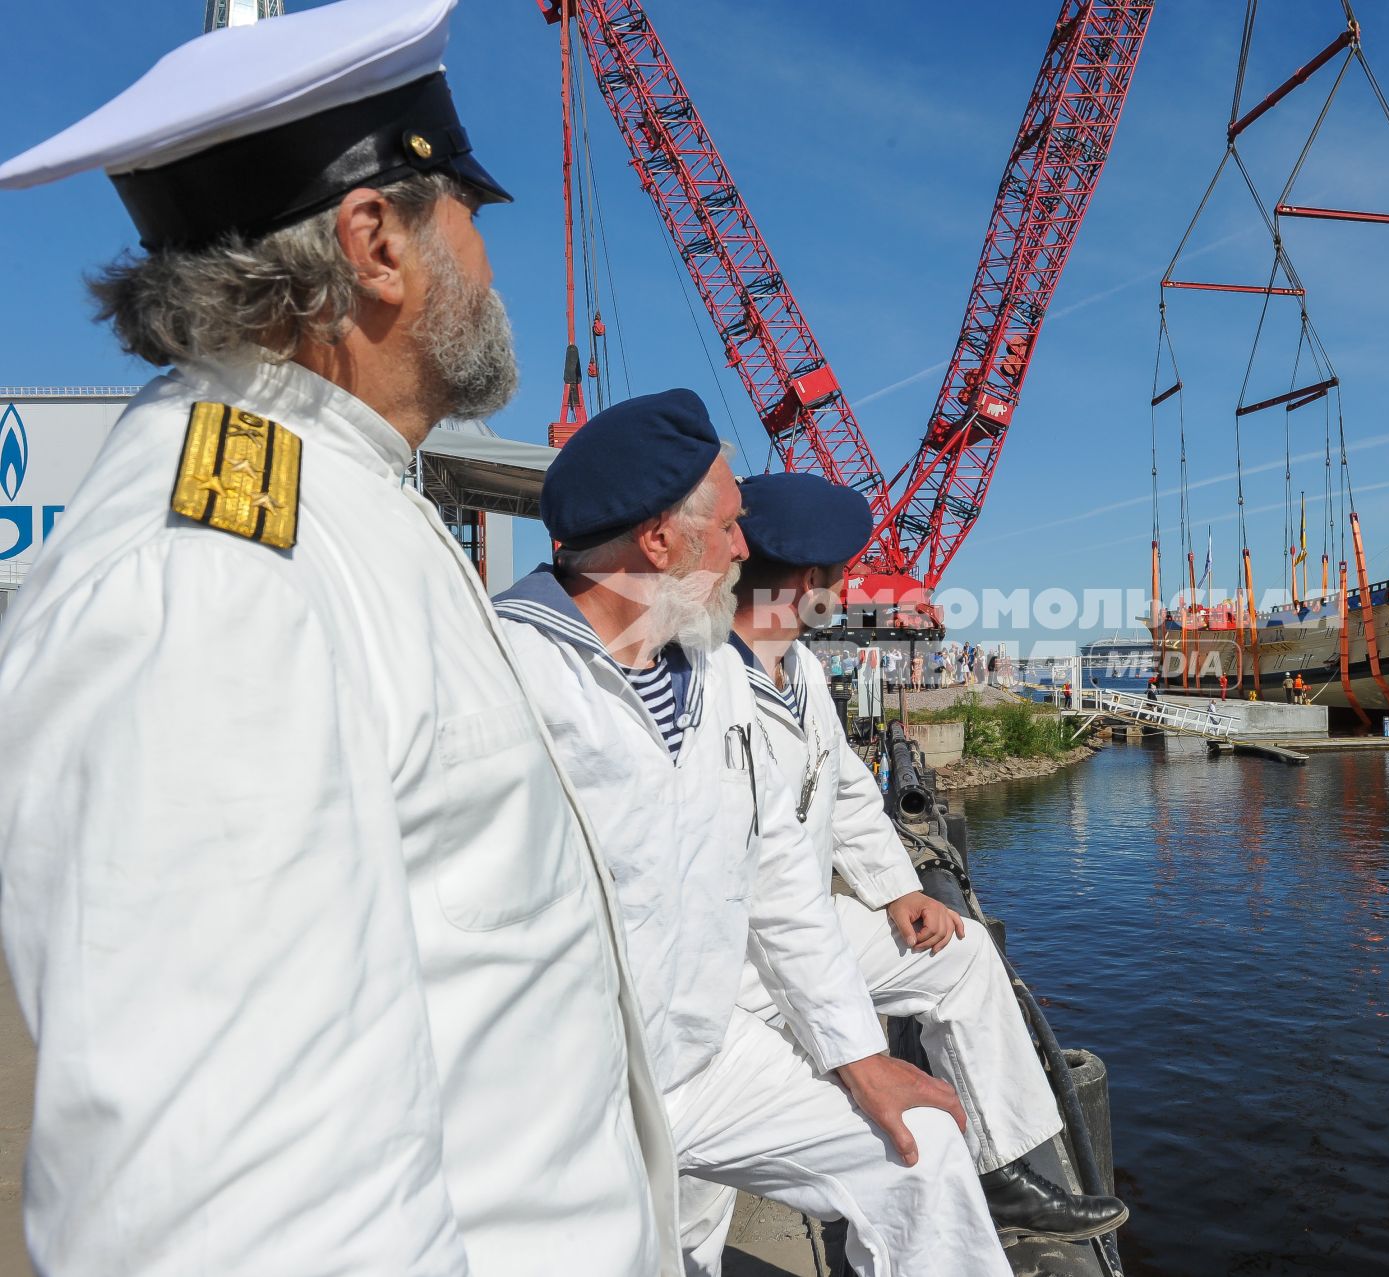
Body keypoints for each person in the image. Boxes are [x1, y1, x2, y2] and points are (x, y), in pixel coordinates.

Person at [0, 3, 677, 1271]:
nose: (487, 258)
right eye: (467, 208)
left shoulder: (339, 502)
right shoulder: (210, 584)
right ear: (376, 241)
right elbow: (240, 1224)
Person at [494, 392, 1012, 1277]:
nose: (745, 546)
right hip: (566, 1086)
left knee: (918, 1149)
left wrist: (859, 1057)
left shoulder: (706, 671)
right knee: (667, 1247)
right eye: (730, 525)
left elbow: (778, 876)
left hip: (701, 1050)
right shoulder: (505, 671)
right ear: (659, 541)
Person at [715, 471, 1128, 1257]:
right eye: (841, 575)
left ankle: (1003, 1169)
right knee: (693, 1221)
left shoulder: (796, 668)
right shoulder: (710, 689)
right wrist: (858, 1056)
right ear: (810, 581)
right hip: (734, 969)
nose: (846, 590)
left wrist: (900, 889)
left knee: (963, 954)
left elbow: (843, 786)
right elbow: (768, 898)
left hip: (804, 922)